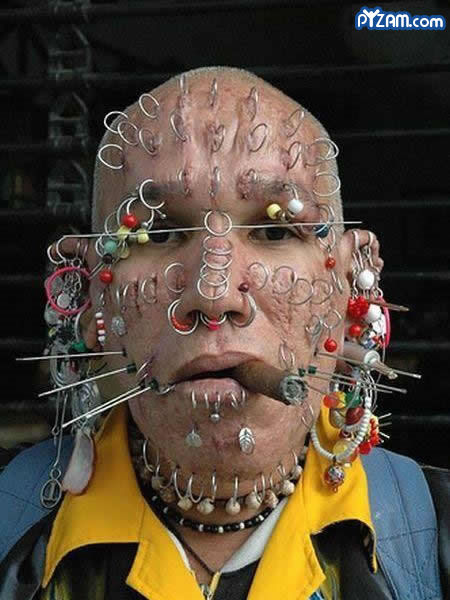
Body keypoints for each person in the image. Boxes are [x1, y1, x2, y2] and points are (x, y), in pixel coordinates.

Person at [0, 67, 448, 600]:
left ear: (350, 283)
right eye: (158, 233)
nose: (214, 298)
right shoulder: (14, 532)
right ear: (89, 289)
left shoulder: (432, 540)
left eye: (276, 230)